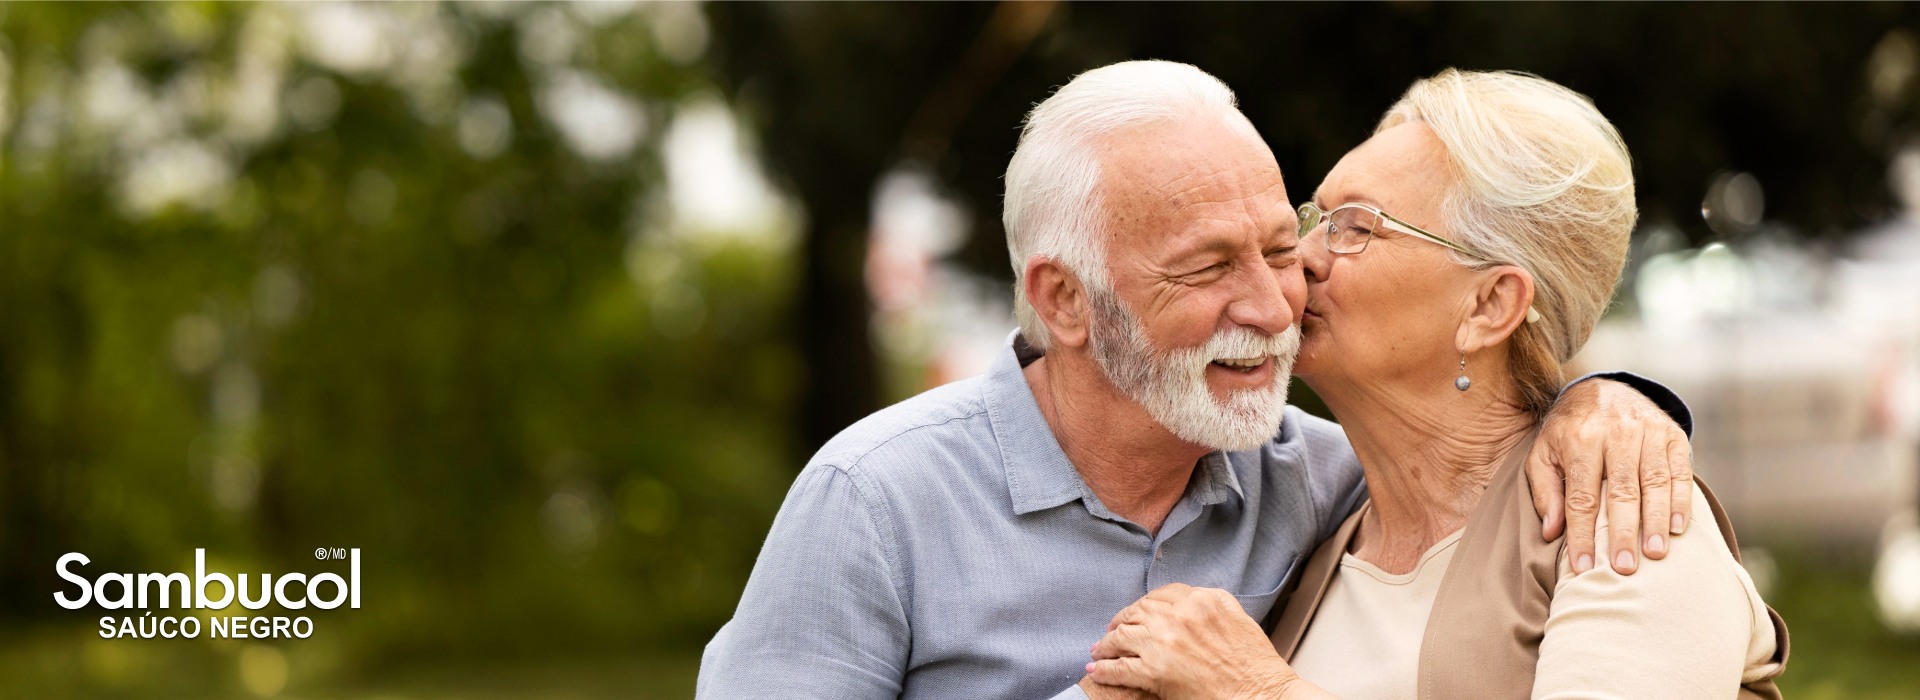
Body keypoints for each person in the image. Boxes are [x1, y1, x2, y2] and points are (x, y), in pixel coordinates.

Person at [697, 61, 1699, 700]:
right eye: (1210, 266)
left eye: (1281, 243)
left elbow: (1476, 438)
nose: (1275, 299)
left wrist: (1602, 398)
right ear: (1065, 300)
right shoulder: (875, 500)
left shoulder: (1327, 483)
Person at [1082, 69, 1788, 699]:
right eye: (1315, 218)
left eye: (1355, 227)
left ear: (1489, 308)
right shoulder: (1315, 517)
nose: (1299, 257)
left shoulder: (1623, 516)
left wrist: (1254, 690)